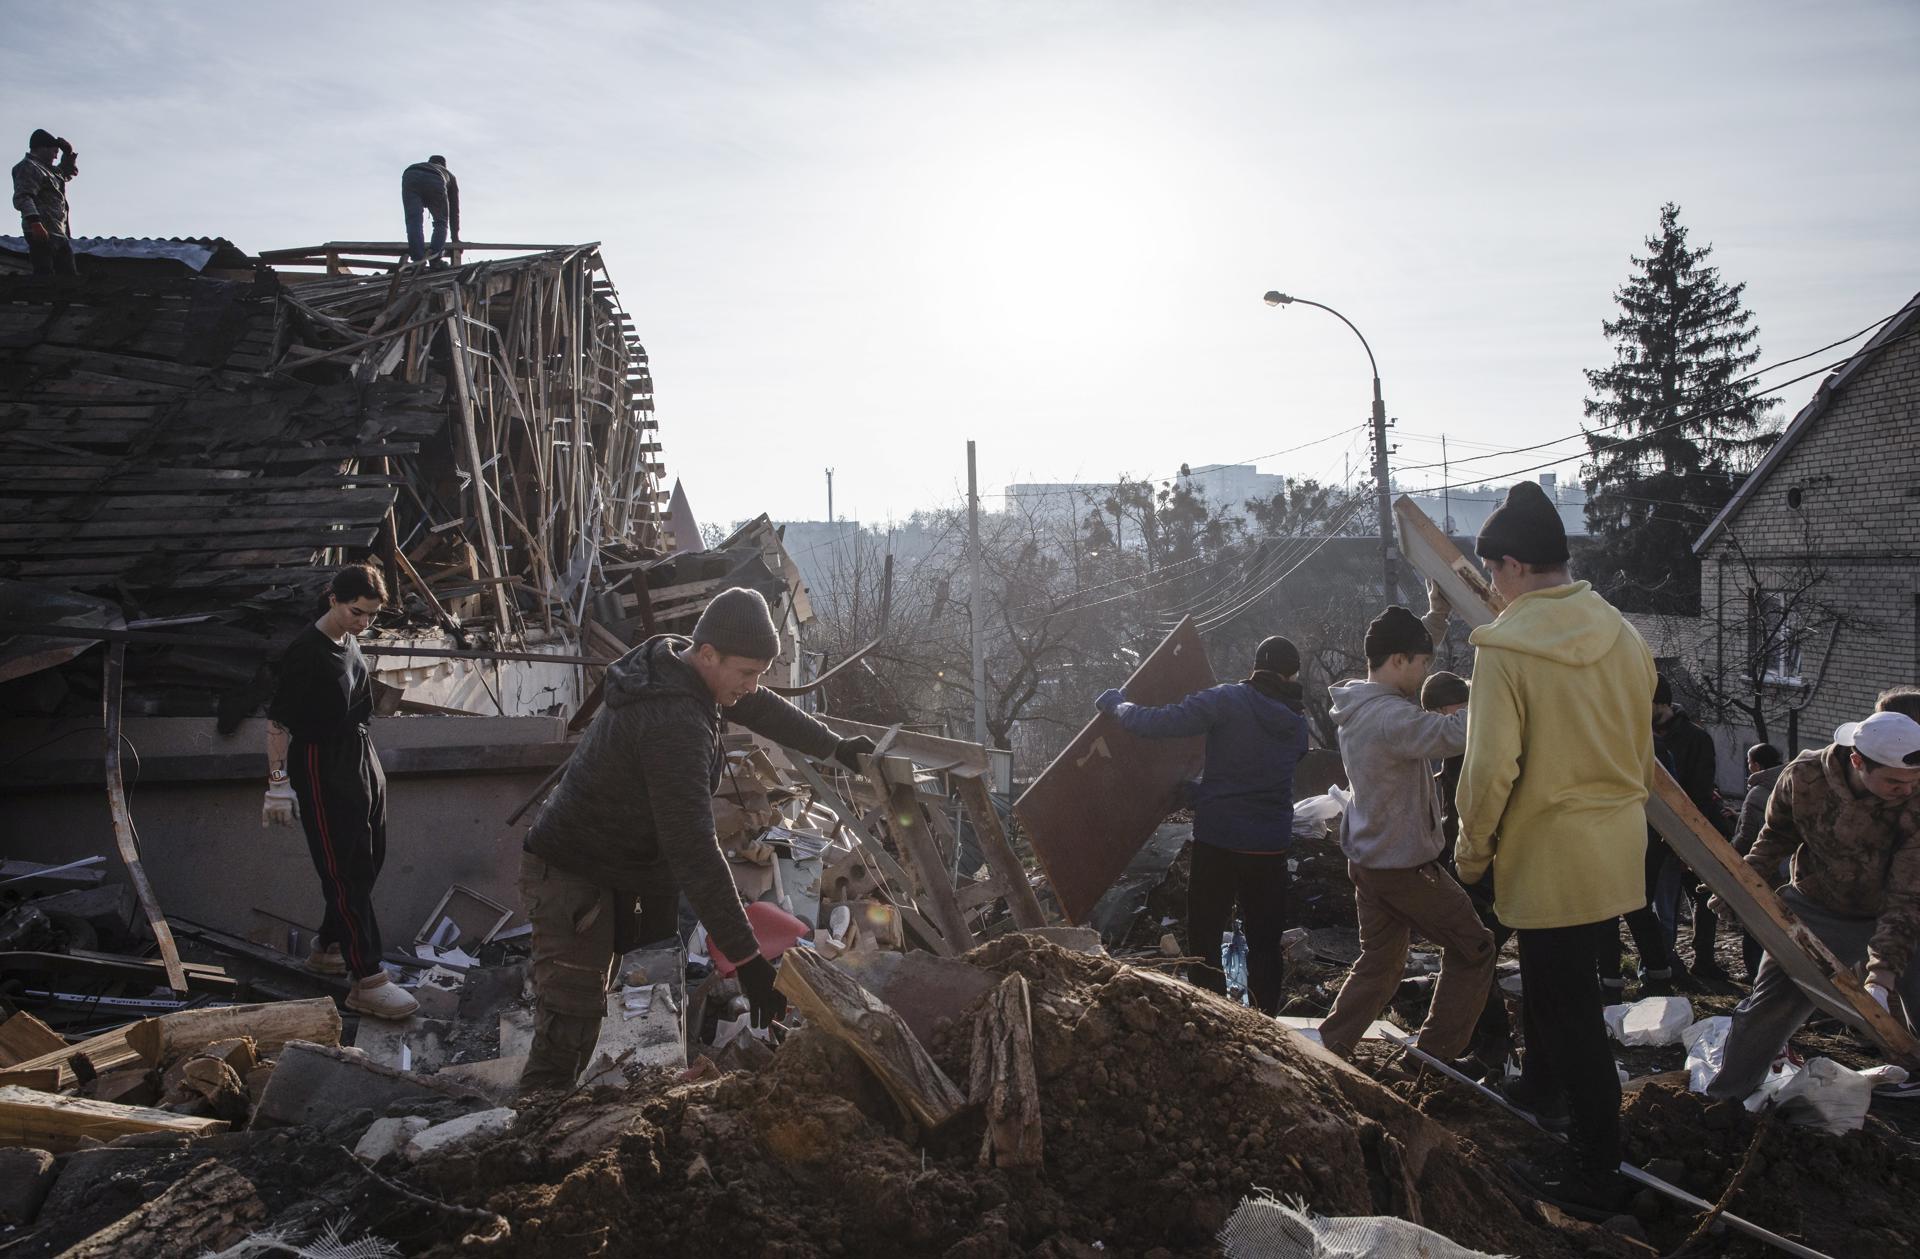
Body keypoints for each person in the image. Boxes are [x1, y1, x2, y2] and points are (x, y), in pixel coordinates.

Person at [517, 587, 876, 1091]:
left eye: (758, 673)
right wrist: (748, 959)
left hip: (610, 865)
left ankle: (550, 1120)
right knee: (569, 1020)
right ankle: (530, 1135)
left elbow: (762, 707)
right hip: (574, 872)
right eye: (746, 673)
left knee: (587, 1009)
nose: (752, 686)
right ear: (707, 654)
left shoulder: (676, 665)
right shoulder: (673, 721)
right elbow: (693, 849)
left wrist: (836, 749)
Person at [1454, 480, 1657, 1218]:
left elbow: (1487, 774)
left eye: (1492, 576)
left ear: (1511, 567)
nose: (1493, 592)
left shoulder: (1505, 649)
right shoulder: (1623, 634)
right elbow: (1640, 750)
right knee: (1558, 986)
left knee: (1570, 1011)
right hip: (1614, 847)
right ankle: (1541, 1089)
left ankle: (1594, 1167)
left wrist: (1471, 856)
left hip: (1548, 854)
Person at [1706, 712, 1920, 1101]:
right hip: (1820, 907)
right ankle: (1724, 1101)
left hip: (1903, 914)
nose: (1906, 790)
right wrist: (1741, 889)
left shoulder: (1915, 799)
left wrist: (1881, 977)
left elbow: (1907, 894)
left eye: (1913, 782)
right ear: (1858, 761)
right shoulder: (1805, 777)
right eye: (1894, 781)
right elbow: (1774, 838)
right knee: (1771, 1007)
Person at [1317, 602, 1495, 1062]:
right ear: (1398, 661)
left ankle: (1328, 1051)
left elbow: (1409, 655)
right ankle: (1430, 1063)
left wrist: (1436, 615)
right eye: (1422, 664)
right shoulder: (1391, 719)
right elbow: (1458, 733)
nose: (1425, 674)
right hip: (1404, 868)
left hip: (1369, 862)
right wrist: (1502, 679)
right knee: (1475, 948)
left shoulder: (1362, 701)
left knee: (1381, 963)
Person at [1096, 635, 1310, 1014]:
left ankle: (1214, 1017)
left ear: (1254, 667)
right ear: (1291, 676)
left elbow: (1158, 723)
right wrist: (1200, 793)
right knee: (1265, 942)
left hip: (1220, 842)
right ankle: (1266, 1024)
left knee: (1205, 937)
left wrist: (1119, 706)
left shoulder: (1226, 699)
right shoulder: (1296, 725)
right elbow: (1257, 775)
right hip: (1268, 848)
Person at [263, 563, 418, 1020]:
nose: (363, 623)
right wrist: (277, 785)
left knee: (369, 860)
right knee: (344, 871)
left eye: (371, 616)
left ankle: (330, 947)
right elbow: (277, 722)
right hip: (320, 764)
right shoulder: (304, 652)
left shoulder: (349, 640)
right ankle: (367, 979)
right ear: (332, 597)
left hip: (359, 757)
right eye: (357, 612)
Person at [1425, 669, 1515, 1074]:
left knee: (1473, 952)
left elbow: (1471, 814)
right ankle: (1490, 1044)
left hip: (1482, 868)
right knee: (1476, 953)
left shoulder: (1472, 744)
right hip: (1484, 866)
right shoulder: (1477, 738)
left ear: (1448, 707)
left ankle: (1493, 1046)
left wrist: (1465, 868)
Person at [1652, 675, 1727, 979]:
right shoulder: (1636, 732)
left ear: (1662, 703)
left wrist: (1690, 843)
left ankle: (1703, 962)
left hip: (1686, 831)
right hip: (1653, 834)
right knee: (1663, 909)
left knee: (1702, 901)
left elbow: (1700, 791)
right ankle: (1666, 965)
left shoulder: (1695, 738)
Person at [1730, 742, 1786, 981]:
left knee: (1754, 927)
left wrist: (1730, 856)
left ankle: (1756, 976)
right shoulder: (1788, 782)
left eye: (1750, 762)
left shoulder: (1757, 792)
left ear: (1756, 765)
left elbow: (1747, 835)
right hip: (1786, 868)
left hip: (1761, 866)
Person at [11, 129, 79, 277]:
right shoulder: (28, 166)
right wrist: (35, 224)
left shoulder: (50, 171)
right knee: (44, 276)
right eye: (54, 152)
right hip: (41, 231)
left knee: (69, 278)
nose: (56, 156)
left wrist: (68, 154)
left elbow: (66, 173)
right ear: (42, 148)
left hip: (58, 231)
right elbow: (23, 197)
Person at [401, 156, 460, 265]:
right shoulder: (449, 175)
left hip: (410, 174)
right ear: (444, 165)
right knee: (441, 222)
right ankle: (435, 259)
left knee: (413, 221)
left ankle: (418, 259)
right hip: (436, 178)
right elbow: (454, 212)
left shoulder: (421, 166)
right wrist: (455, 238)